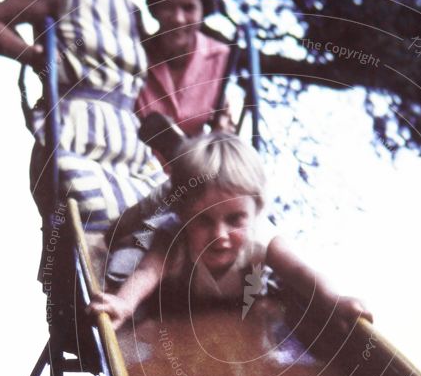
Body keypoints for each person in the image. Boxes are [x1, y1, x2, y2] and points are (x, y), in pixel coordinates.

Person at [0, 0, 169, 248]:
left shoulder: (133, 12)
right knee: (97, 223)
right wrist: (34, 56)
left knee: (167, 217)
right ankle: (95, 300)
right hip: (75, 132)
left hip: (128, 141)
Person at [87, 133, 372, 331]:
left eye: (235, 219)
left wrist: (333, 300)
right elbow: (147, 272)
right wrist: (123, 303)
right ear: (184, 216)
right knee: (129, 254)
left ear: (256, 210)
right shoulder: (174, 238)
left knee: (266, 297)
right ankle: (133, 218)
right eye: (203, 220)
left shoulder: (263, 241)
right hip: (177, 299)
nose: (220, 235)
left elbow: (300, 272)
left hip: (233, 303)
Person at [136, 0, 235, 142]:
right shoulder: (135, 54)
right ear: (154, 9)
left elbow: (223, 123)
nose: (178, 19)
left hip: (194, 167)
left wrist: (222, 131)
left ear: (203, 11)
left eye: (188, 7)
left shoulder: (220, 57)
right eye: (168, 6)